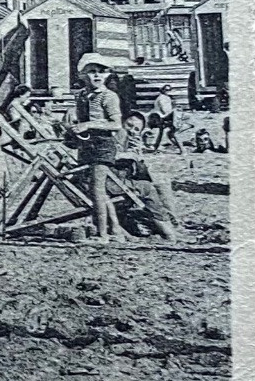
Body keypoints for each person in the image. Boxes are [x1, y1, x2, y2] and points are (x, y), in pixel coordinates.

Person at [69, 54, 125, 243]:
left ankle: (102, 235)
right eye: (92, 72)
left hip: (103, 146)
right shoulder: (83, 96)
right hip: (87, 145)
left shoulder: (109, 96)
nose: (97, 76)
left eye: (101, 72)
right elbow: (82, 121)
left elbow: (116, 124)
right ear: (83, 75)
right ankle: (115, 230)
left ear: (108, 75)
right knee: (95, 189)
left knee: (97, 190)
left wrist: (88, 125)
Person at [114, 113, 181, 242]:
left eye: (136, 129)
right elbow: (111, 156)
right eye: (129, 125)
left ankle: (172, 222)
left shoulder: (127, 139)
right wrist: (130, 155)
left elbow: (139, 169)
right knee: (149, 189)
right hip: (115, 180)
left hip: (120, 178)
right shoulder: (117, 135)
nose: (131, 130)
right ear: (122, 122)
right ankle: (168, 231)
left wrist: (137, 154)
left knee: (162, 185)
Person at [147, 87, 183, 153]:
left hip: (164, 116)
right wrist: (172, 112)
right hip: (162, 117)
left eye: (169, 90)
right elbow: (165, 110)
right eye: (166, 90)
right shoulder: (162, 98)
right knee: (172, 132)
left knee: (166, 133)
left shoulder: (167, 98)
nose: (168, 91)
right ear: (163, 90)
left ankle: (155, 146)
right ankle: (182, 149)